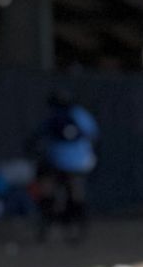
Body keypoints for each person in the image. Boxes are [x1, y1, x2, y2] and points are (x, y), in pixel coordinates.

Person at [31, 91, 98, 241]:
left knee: (50, 191)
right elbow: (93, 134)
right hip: (79, 163)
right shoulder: (80, 115)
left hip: (57, 161)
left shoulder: (54, 115)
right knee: (74, 193)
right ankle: (76, 226)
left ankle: (51, 226)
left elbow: (39, 136)